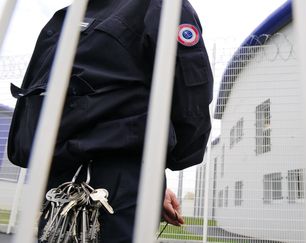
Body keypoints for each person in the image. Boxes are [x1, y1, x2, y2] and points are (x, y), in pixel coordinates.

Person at [7, 0, 213, 241]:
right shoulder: (160, 5)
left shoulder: (68, 17)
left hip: (59, 182)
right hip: (122, 179)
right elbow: (191, 94)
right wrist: (161, 165)